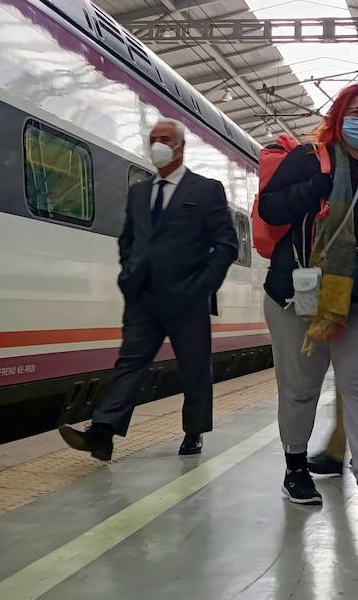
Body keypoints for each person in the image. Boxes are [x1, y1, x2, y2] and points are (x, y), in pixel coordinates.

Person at [258, 83, 358, 523]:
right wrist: (319, 186)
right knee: (301, 389)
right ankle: (295, 468)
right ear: (338, 116)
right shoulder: (310, 158)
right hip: (303, 295)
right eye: (356, 111)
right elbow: (271, 209)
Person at [59, 119, 238, 460]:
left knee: (194, 367)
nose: (158, 144)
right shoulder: (139, 192)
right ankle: (102, 433)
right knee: (130, 364)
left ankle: (194, 431)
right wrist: (128, 274)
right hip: (144, 296)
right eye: (153, 139)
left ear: (180, 146)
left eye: (165, 139)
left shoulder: (206, 190)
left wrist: (203, 287)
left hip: (188, 296)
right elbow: (128, 239)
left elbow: (226, 245)